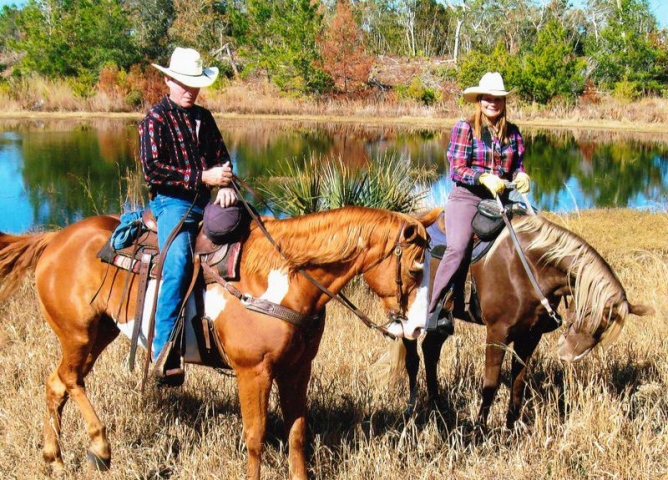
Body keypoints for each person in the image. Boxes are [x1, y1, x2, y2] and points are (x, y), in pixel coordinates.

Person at [139, 47, 237, 385]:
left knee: (247, 236)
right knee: (179, 259)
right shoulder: (155, 119)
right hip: (171, 203)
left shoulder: (204, 118)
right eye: (182, 83)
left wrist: (225, 181)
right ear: (168, 80)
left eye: (194, 84)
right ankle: (164, 351)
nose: (189, 90)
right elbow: (153, 171)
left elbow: (222, 157)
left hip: (207, 202)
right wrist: (202, 178)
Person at [426, 72, 531, 335]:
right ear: (480, 100)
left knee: (536, 235)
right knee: (458, 247)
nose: (492, 102)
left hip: (501, 199)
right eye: (487, 98)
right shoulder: (465, 128)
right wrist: (482, 176)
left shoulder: (514, 132)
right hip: (468, 197)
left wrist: (521, 175)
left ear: (503, 101)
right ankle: (436, 308)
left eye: (497, 98)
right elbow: (457, 169)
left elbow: (517, 164)